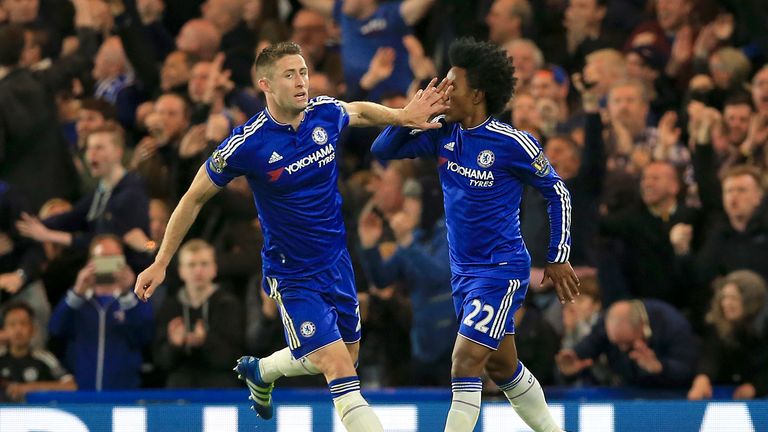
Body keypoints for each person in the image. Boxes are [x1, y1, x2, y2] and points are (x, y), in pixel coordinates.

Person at [133, 41, 446, 432]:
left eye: (304, 72)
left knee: (345, 356)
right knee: (339, 369)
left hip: (337, 261)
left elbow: (358, 111)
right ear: (265, 85)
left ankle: (262, 371)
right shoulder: (247, 144)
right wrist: (161, 262)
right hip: (293, 274)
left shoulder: (325, 113)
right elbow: (193, 198)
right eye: (290, 75)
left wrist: (402, 116)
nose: (301, 82)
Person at [371, 37, 578, 432]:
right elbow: (383, 150)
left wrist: (559, 253)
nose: (444, 91)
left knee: (464, 362)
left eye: (453, 85)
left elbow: (557, 191)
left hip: (499, 271)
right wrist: (408, 115)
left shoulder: (511, 142)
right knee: (503, 365)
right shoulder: (442, 134)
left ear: (478, 94)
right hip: (463, 274)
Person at [49, 234, 153, 390]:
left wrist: (126, 294)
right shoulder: (78, 300)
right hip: (82, 390)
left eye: (114, 258)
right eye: (102, 258)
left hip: (124, 391)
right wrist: (77, 292)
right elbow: (56, 329)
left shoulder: (134, 299)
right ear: (91, 261)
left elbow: (144, 336)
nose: (108, 264)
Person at [153, 239, 244, 388]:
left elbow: (236, 358)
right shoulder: (170, 307)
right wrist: (175, 346)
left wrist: (205, 341)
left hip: (221, 389)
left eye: (204, 264)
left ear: (214, 268)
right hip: (180, 390)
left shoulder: (228, 304)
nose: (198, 270)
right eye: (191, 265)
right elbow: (160, 361)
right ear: (181, 271)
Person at [556, 299, 699, 388]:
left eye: (627, 343)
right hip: (623, 391)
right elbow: (580, 355)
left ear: (642, 327)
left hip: (667, 396)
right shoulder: (605, 327)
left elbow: (687, 368)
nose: (622, 349)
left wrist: (660, 367)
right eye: (616, 344)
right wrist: (567, 372)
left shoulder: (672, 325)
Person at [688, 270, 768, 400]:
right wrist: (703, 377)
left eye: (734, 298)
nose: (726, 303)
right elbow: (711, 353)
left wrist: (756, 387)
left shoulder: (764, 327)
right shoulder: (717, 322)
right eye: (724, 297)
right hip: (724, 390)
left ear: (751, 301)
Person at [0, 302, 76, 402]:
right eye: (12, 324)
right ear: (4, 330)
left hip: (36, 415)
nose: (18, 330)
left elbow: (71, 386)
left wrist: (29, 388)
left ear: (33, 329)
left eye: (23, 323)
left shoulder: (44, 358)